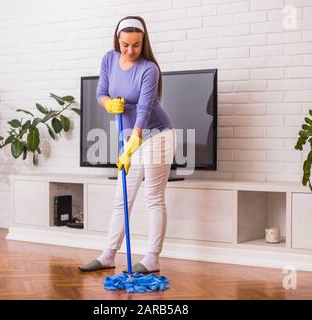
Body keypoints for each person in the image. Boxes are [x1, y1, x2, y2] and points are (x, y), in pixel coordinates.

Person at [79, 16, 176, 274]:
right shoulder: (109, 59)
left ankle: (152, 258)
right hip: (129, 136)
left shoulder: (149, 69)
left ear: (143, 43)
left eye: (135, 45)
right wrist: (107, 103)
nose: (130, 51)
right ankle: (108, 255)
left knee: (153, 198)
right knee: (122, 198)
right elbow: (100, 93)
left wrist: (134, 142)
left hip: (156, 135)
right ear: (117, 41)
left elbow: (144, 109)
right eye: (125, 45)